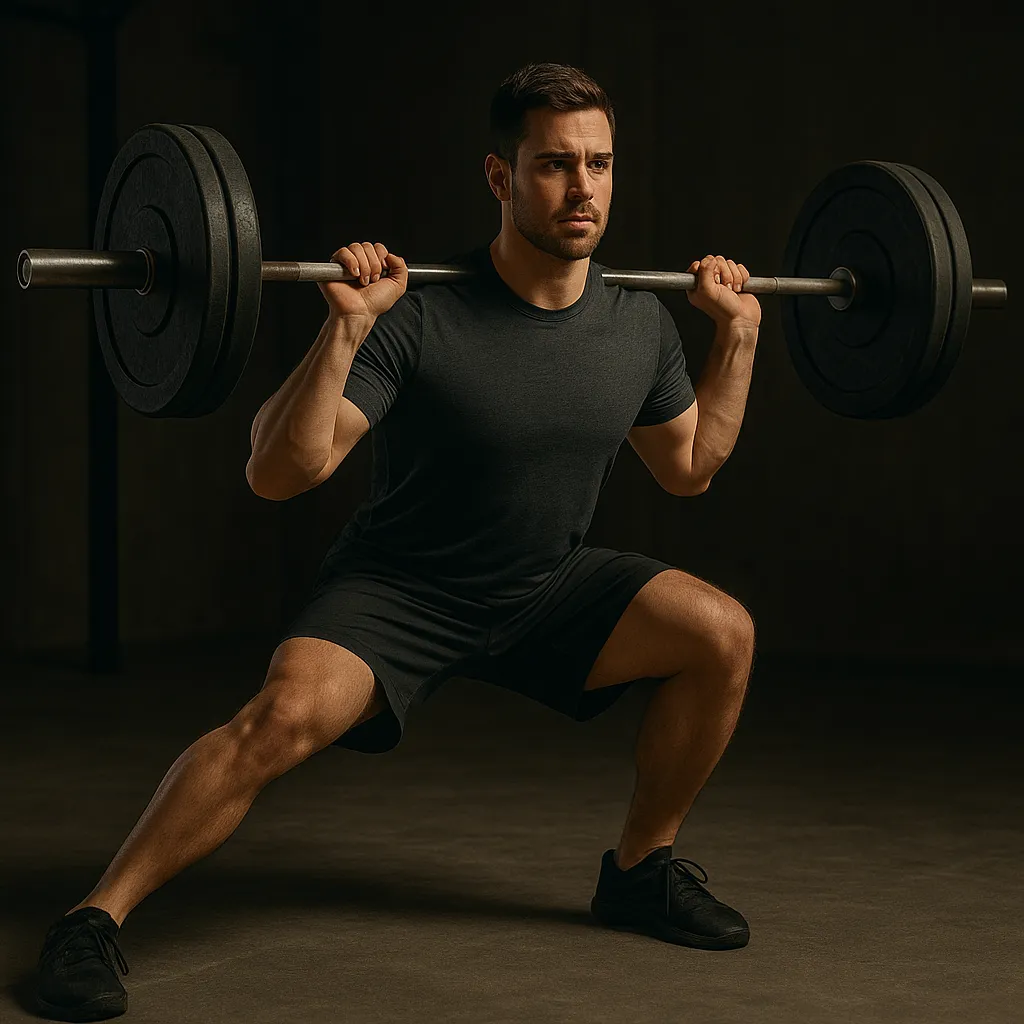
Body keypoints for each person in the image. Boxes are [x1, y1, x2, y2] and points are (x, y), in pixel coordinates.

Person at [34, 62, 760, 1022]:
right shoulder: (420, 314)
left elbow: (689, 467)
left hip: (545, 585)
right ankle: (92, 919)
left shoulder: (639, 325)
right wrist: (341, 333)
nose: (583, 189)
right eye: (554, 165)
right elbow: (278, 473)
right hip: (403, 591)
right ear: (500, 178)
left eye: (600, 164)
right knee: (280, 720)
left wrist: (738, 337)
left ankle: (640, 870)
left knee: (722, 633)